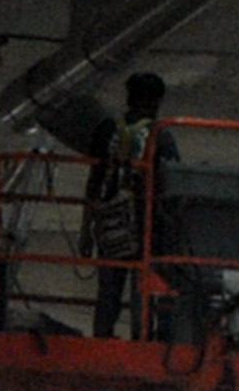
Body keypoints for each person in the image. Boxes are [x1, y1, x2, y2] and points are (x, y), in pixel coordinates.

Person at [67, 71, 173, 337]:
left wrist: (86, 231)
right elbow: (170, 184)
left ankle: (102, 336)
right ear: (158, 101)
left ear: (129, 97)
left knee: (109, 289)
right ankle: (141, 340)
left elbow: (94, 181)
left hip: (111, 225)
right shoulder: (160, 135)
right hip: (145, 227)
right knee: (143, 290)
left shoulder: (107, 129)